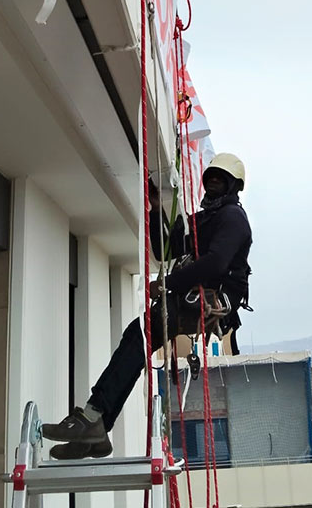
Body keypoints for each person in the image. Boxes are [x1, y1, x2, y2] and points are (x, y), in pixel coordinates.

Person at [41, 153, 252, 459]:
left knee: (138, 336)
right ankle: (97, 426)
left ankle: (93, 419)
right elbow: (165, 248)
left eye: (221, 179)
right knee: (136, 339)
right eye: (211, 178)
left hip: (211, 301)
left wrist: (169, 283)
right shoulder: (206, 219)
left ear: (234, 186)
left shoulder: (233, 217)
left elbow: (217, 263)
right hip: (192, 297)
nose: (214, 183)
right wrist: (155, 209)